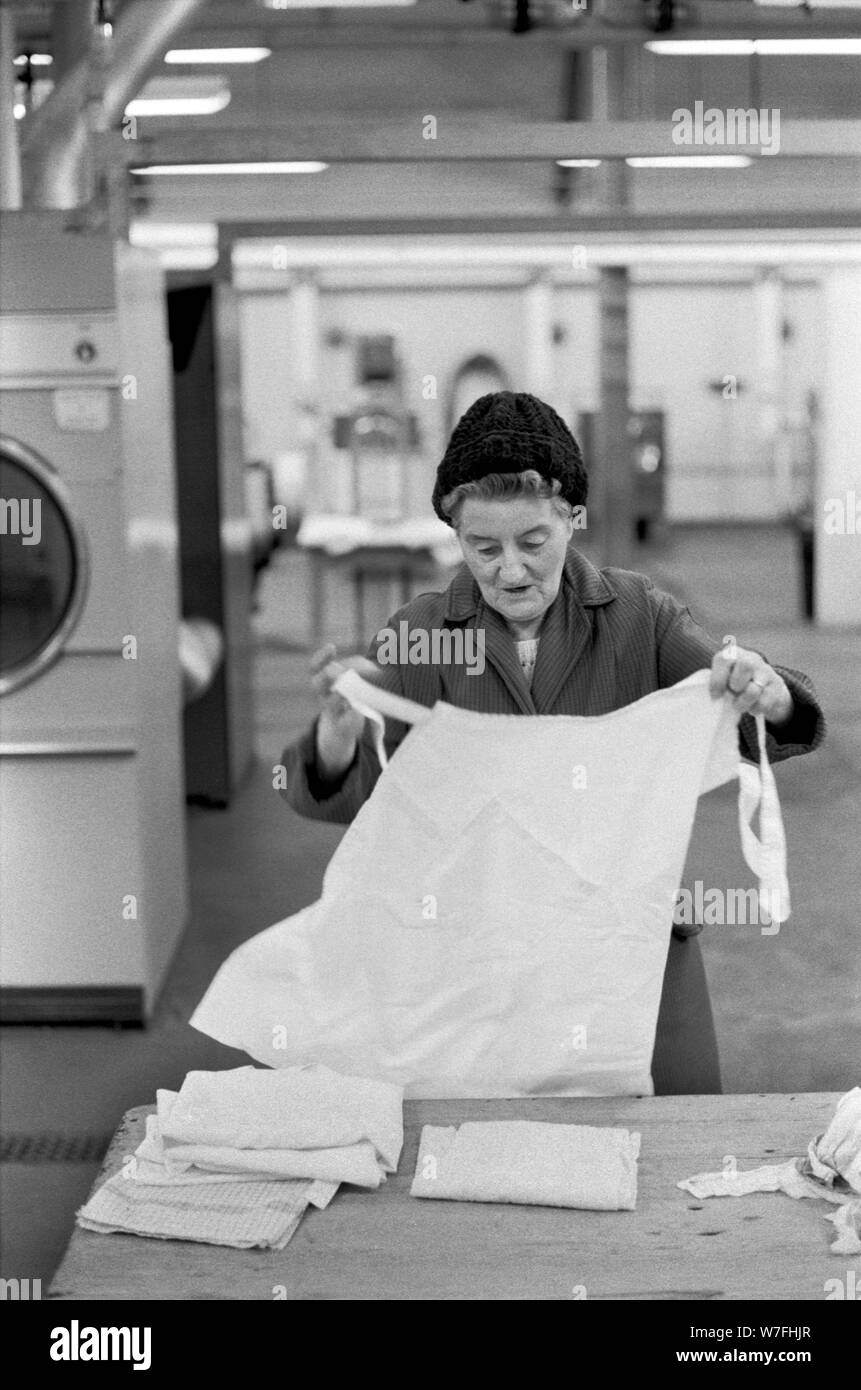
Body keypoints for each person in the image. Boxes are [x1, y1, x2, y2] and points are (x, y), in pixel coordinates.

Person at [279, 392, 825, 1095]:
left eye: (532, 542)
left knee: (667, 1149)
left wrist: (768, 691)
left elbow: (752, 717)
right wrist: (337, 739)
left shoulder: (639, 619)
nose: (510, 571)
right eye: (483, 548)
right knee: (489, 1159)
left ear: (572, 519)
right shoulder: (421, 634)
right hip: (477, 968)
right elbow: (345, 796)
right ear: (454, 535)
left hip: (630, 956)